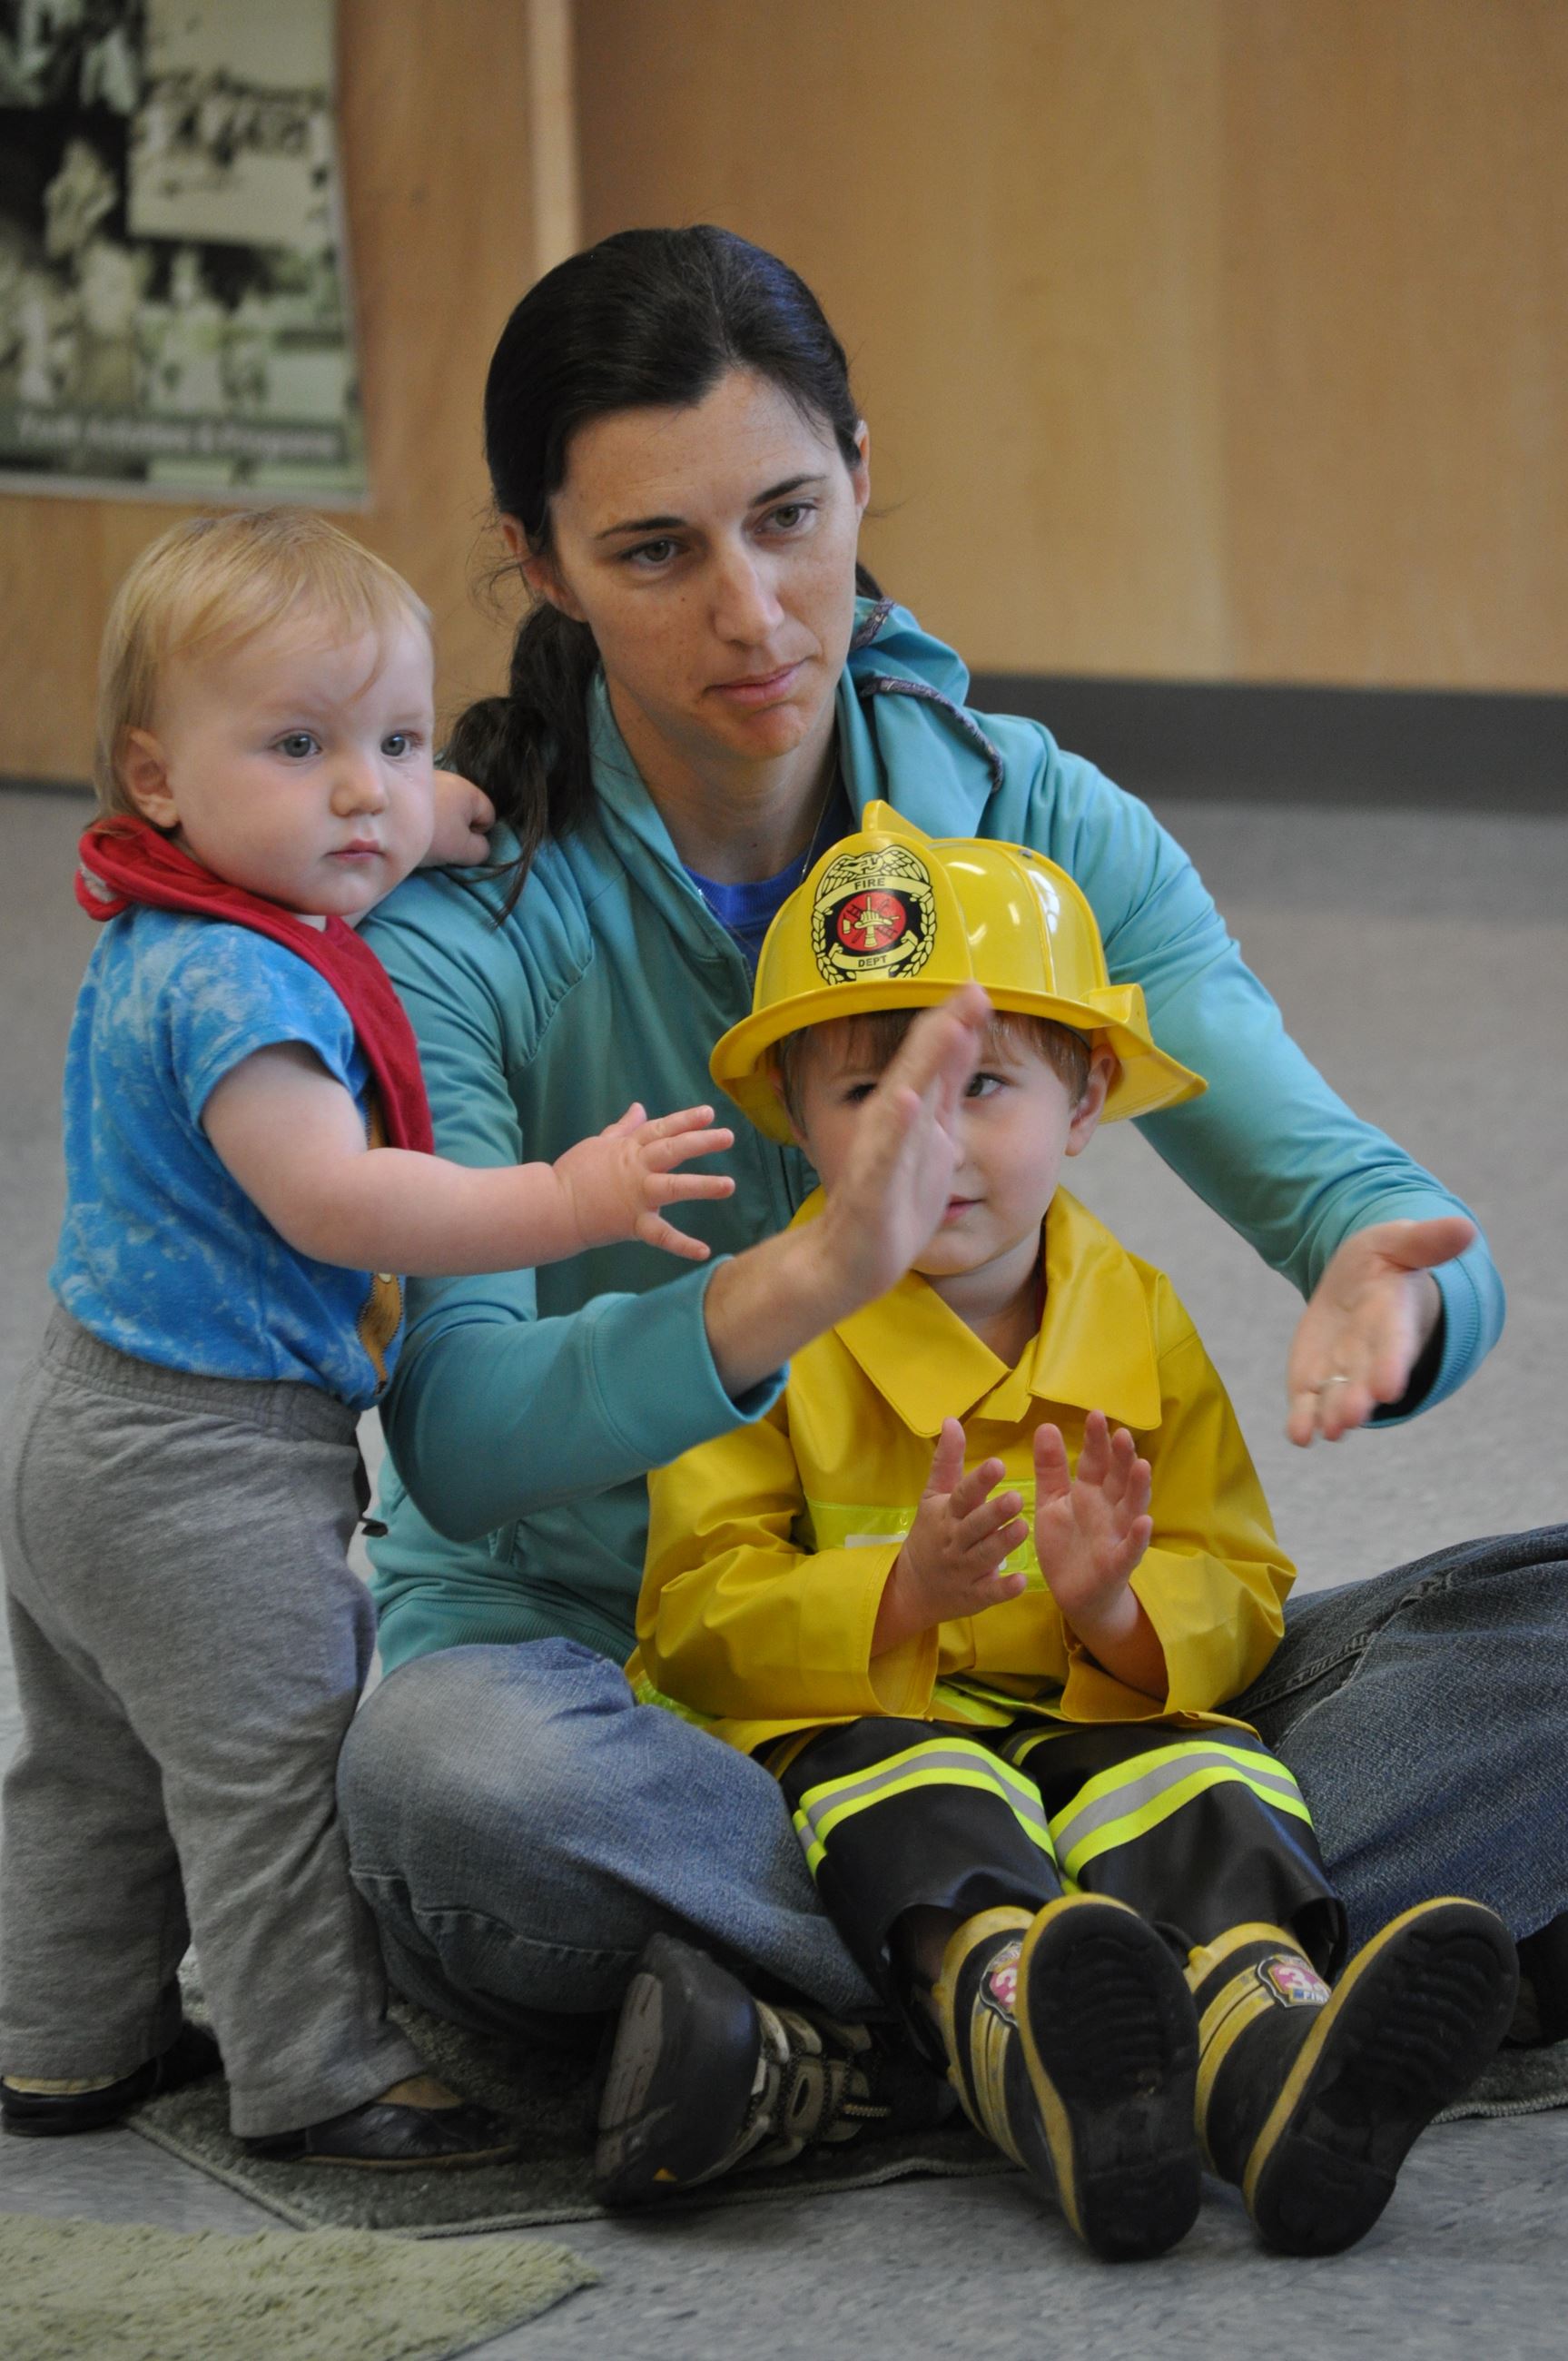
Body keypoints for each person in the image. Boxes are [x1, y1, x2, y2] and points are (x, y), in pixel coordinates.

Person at [336, 224, 1567, 2193]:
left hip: (1080, 1691)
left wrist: (1395, 1292)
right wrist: (804, 1277)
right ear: (539, 561)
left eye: (791, 516)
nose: (754, 611)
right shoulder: (466, 925)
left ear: (861, 471)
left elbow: (1364, 1196)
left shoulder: (1036, 816)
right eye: (657, 553)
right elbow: (464, 1449)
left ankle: (832, 2038)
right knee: (442, 1784)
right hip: (643, 1687)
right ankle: (1199, 1974)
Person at [618, 805, 1517, 2255]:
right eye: (868, 1096)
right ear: (794, 1112)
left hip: (1105, 1719)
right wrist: (896, 1598)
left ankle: (1277, 2061)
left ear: (1088, 1099)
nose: (933, 1142)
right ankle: (1036, 2050)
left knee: (1214, 1783)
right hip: (865, 1734)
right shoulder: (763, 1326)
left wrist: (1119, 1611)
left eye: (984, 1086)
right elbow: (690, 1624)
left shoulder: (1139, 1317)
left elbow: (1240, 1581)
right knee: (917, 1813)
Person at [0, 508, 745, 2163]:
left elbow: (368, 819)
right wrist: (560, 1200)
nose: (363, 793)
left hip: (78, 1427)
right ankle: (318, 2072)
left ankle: (58, 2044)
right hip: (203, 1462)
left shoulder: (173, 919)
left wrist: (434, 808)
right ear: (156, 774)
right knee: (270, 1772)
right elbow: (338, 1203)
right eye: (301, 744)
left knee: (95, 1763)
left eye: (394, 742)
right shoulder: (247, 997)